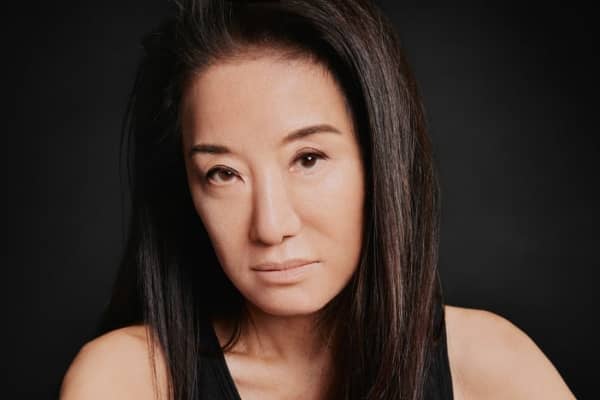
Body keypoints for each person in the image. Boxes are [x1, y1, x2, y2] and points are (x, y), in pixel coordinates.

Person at [59, 1, 575, 399]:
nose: (271, 225)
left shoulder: (488, 364)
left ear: (381, 161)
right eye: (223, 173)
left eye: (308, 159)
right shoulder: (128, 380)